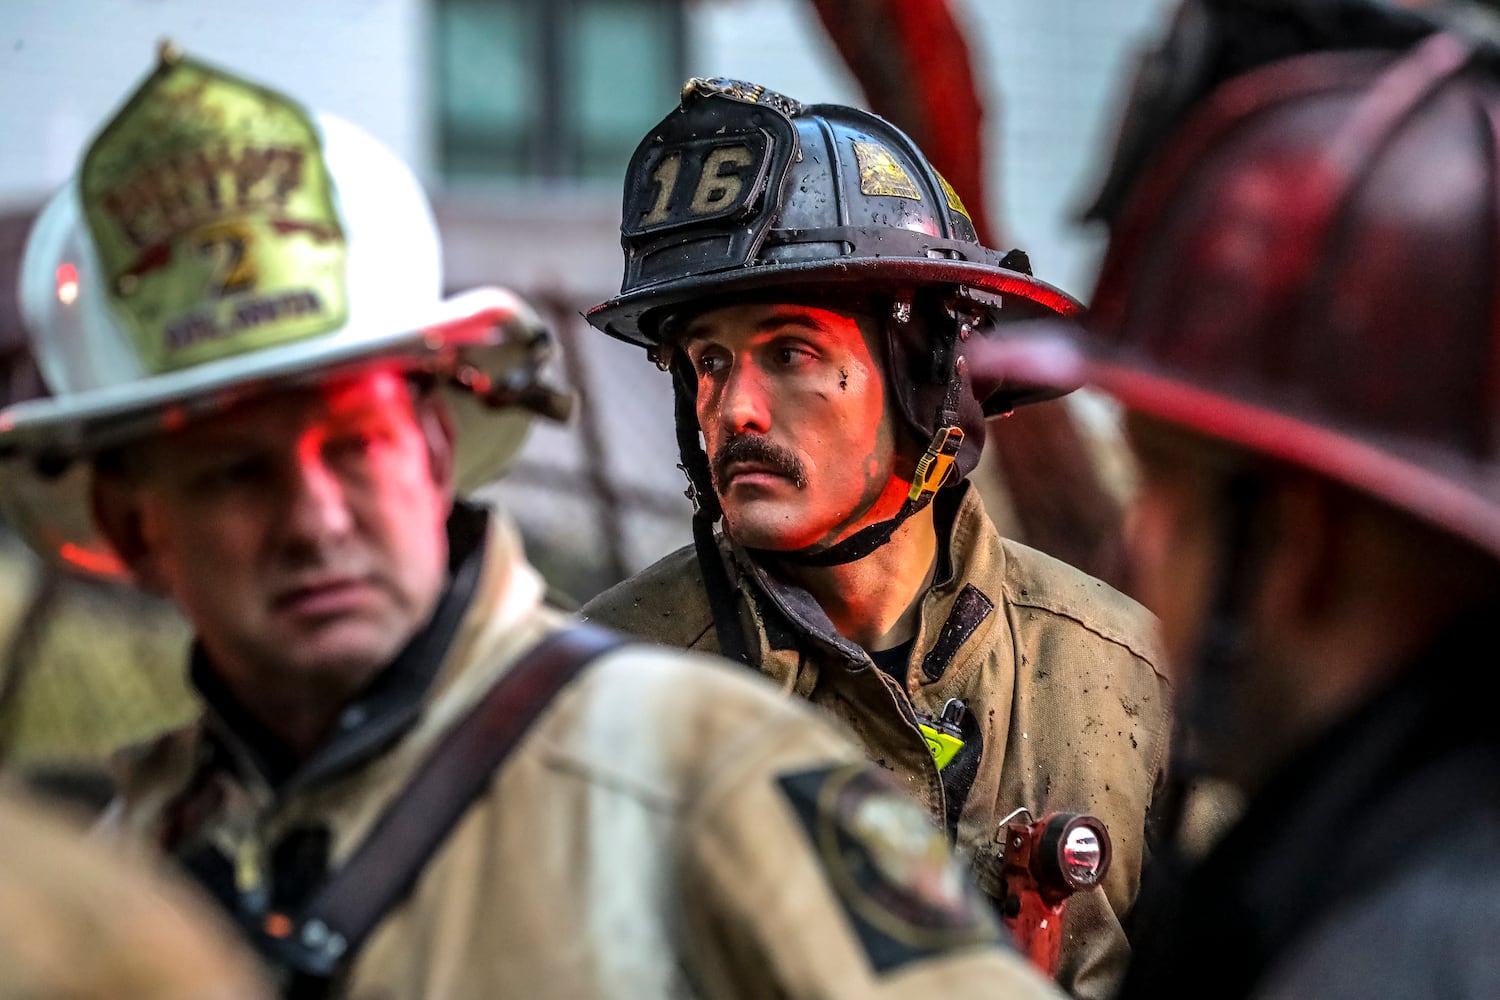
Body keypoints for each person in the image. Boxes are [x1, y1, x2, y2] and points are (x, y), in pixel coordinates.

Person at [0, 47, 1069, 999]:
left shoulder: (717, 780)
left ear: (432, 445)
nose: (313, 521)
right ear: (131, 526)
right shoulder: (98, 883)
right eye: (234, 475)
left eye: (354, 445)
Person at [582, 77, 1172, 999]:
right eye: (707, 362)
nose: (732, 409)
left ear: (930, 381)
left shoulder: (1127, 680)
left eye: (790, 354)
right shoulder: (602, 696)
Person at [964, 2, 1500, 996]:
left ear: (1301, 538)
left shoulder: (1381, 958)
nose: (1135, 536)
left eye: (1165, 479)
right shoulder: (1374, 872)